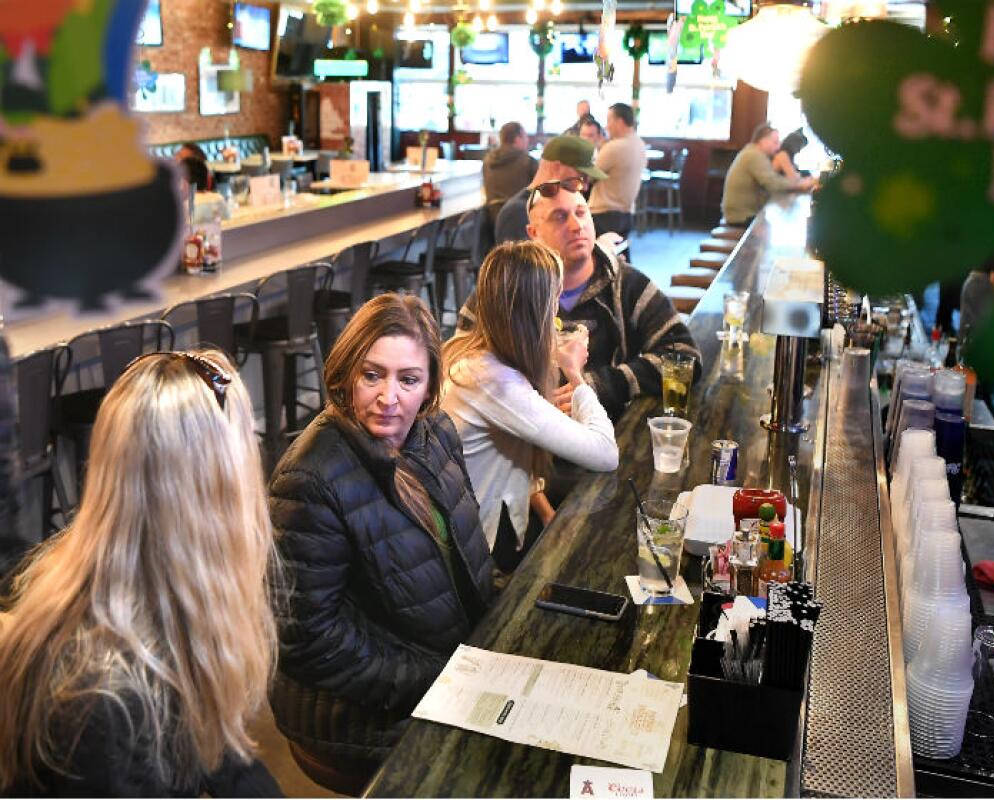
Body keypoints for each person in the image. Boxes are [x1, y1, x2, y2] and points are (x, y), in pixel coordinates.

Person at [0, 350, 282, 797]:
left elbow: (220, 751)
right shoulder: (102, 700)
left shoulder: (160, 606)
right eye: (249, 441)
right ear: (213, 489)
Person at [268, 294, 494, 795]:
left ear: (431, 384)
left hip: (442, 663)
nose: (388, 397)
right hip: (351, 710)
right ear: (348, 372)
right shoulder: (310, 476)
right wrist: (442, 678)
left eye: (408, 379)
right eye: (373, 375)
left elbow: (465, 557)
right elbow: (307, 642)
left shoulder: (434, 432)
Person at [443, 241, 618, 571]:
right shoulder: (496, 382)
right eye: (553, 305)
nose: (557, 316)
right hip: (479, 546)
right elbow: (606, 453)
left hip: (483, 516)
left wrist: (547, 515)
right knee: (607, 520)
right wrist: (574, 373)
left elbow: (512, 459)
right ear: (535, 315)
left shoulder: (472, 353)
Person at [463, 182, 700, 423]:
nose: (577, 226)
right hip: (521, 439)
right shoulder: (503, 288)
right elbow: (461, 364)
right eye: (560, 217)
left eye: (581, 212)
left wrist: (601, 386)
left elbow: (684, 356)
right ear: (533, 233)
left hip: (607, 435)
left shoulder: (628, 285)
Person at [494, 134, 607, 244]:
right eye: (581, 176)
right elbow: (528, 262)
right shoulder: (516, 214)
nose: (585, 186)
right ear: (556, 167)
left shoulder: (570, 205)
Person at [721, 123, 814, 226]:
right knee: (784, 223)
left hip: (741, 213)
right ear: (762, 141)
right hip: (741, 216)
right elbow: (773, 183)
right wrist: (800, 184)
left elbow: (773, 181)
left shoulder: (754, 153)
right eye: (775, 142)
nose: (778, 146)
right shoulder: (754, 155)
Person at [588, 102, 647, 243]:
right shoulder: (640, 144)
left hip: (604, 213)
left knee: (602, 260)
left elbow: (590, 177)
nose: (607, 126)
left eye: (609, 120)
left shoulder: (613, 147)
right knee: (620, 258)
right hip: (626, 213)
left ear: (620, 122)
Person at [482, 121, 538, 225]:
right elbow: (539, 195)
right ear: (517, 139)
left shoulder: (487, 161)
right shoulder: (529, 162)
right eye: (525, 136)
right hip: (521, 221)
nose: (528, 140)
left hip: (492, 221)